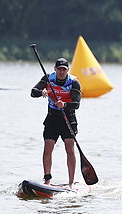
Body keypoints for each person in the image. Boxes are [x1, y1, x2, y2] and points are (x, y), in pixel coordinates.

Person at [31, 58, 81, 188]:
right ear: (55, 69)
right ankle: (47, 180)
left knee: (70, 147)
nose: (61, 72)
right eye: (59, 69)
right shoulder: (48, 78)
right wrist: (41, 92)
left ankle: (71, 183)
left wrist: (64, 104)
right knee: (48, 146)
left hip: (68, 118)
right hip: (52, 118)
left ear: (67, 70)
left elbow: (76, 104)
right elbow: (32, 92)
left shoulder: (74, 82)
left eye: (64, 70)